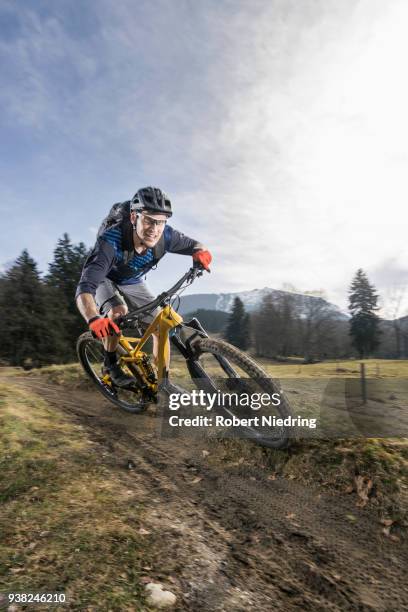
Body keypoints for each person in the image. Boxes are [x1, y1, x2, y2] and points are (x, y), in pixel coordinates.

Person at [75, 186, 212, 389]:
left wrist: (202, 254)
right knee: (118, 311)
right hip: (106, 278)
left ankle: (161, 383)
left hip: (132, 279)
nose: (154, 229)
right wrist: (94, 319)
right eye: (148, 220)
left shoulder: (166, 236)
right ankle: (110, 366)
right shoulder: (110, 243)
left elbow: (198, 245)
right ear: (134, 217)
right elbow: (85, 287)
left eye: (161, 222)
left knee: (161, 325)